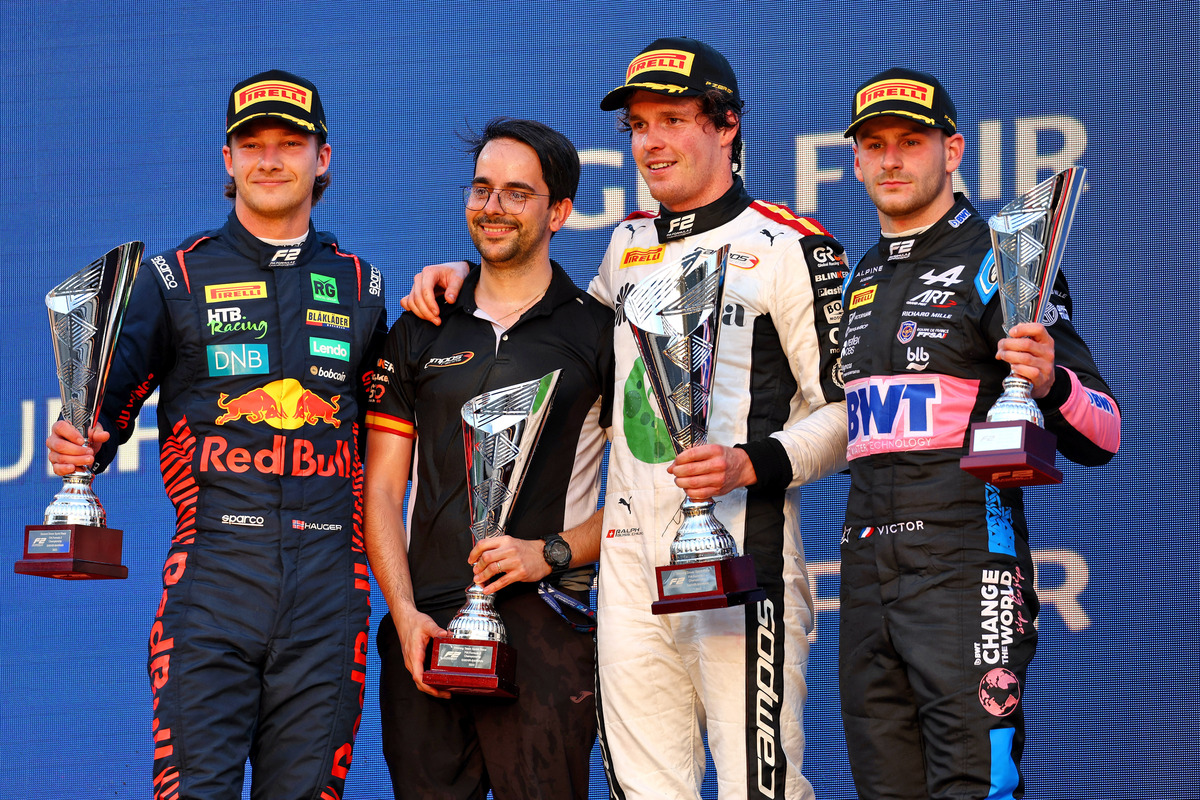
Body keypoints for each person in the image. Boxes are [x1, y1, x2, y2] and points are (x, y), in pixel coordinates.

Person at [401, 38, 848, 800]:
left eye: (673, 119)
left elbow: (849, 412)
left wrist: (753, 463)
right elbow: (558, 333)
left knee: (759, 790)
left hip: (742, 558)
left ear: (727, 125)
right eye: (639, 126)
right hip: (627, 572)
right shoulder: (627, 245)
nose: (652, 142)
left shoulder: (789, 247)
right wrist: (470, 278)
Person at [46, 69, 387, 800]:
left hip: (332, 586)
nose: (270, 160)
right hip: (213, 581)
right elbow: (99, 413)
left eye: (289, 144)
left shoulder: (366, 287)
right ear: (227, 160)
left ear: (322, 158)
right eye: (252, 144)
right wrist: (80, 440)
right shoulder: (175, 277)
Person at [838, 67, 1122, 800]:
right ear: (858, 159)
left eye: (911, 140)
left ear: (952, 149)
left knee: (975, 786)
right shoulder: (859, 275)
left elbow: (1106, 433)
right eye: (876, 145)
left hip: (965, 565)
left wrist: (1054, 380)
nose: (892, 159)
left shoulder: (1002, 259)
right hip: (867, 573)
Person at [363, 117, 612, 800]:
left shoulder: (596, 332)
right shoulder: (420, 326)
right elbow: (381, 489)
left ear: (559, 211)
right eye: (481, 189)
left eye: (516, 193)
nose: (492, 206)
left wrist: (551, 552)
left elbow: (644, 495)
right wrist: (404, 612)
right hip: (427, 629)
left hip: (548, 618)